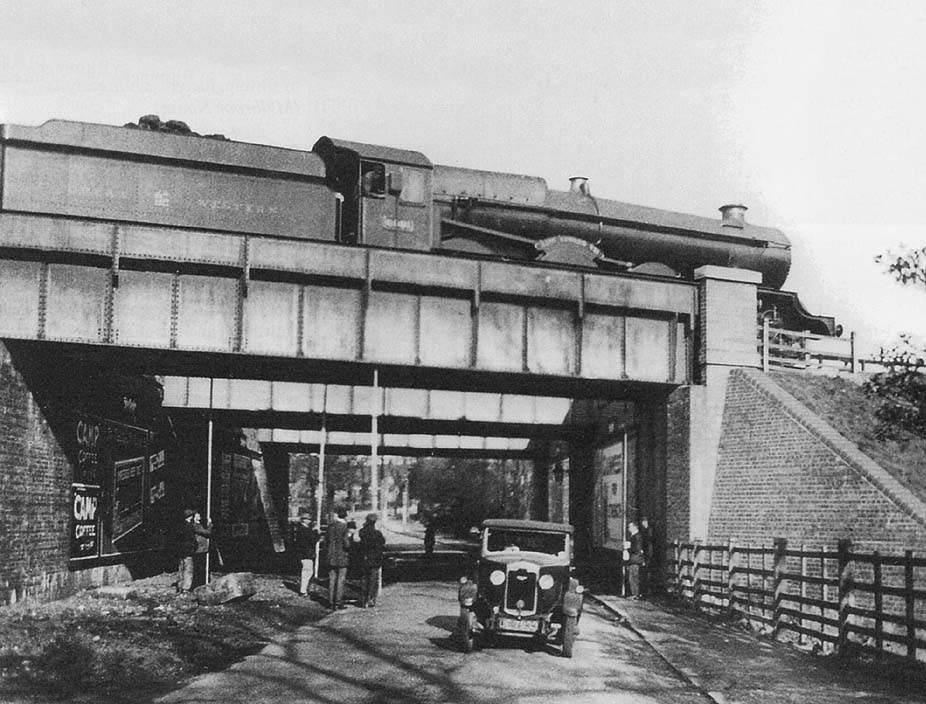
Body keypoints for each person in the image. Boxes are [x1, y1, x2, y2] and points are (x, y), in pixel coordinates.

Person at [358, 513, 386, 607]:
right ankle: (371, 599)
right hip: (375, 560)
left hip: (364, 559)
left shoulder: (362, 532)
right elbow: (382, 543)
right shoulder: (377, 533)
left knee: (364, 579)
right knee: (373, 580)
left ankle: (363, 599)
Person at [326, 506, 351, 609]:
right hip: (341, 557)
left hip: (330, 556)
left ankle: (331, 601)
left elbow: (326, 541)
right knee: (341, 579)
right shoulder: (344, 527)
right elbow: (347, 544)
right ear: (345, 516)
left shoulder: (330, 526)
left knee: (332, 579)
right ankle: (338, 602)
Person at [293, 515, 320, 596]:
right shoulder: (305, 530)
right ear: (304, 520)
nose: (309, 521)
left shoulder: (300, 529)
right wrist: (316, 532)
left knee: (307, 571)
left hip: (303, 553)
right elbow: (313, 540)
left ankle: (304, 589)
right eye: (308, 519)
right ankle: (303, 590)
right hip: (306, 554)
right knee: (307, 572)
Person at [177, 509, 198, 593]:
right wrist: (193, 548)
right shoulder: (190, 527)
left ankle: (180, 587)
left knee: (181, 570)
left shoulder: (180, 526)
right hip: (188, 552)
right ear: (190, 517)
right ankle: (186, 588)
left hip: (181, 552)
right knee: (188, 570)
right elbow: (192, 540)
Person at [623, 520, 645, 598]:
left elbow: (637, 549)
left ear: (635, 527)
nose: (629, 529)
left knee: (633, 577)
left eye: (630, 527)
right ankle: (635, 593)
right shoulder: (634, 536)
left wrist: (628, 547)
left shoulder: (637, 536)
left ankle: (635, 594)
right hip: (634, 559)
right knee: (632, 577)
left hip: (635, 559)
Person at [191, 511, 213, 588]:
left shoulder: (199, 525)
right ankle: (198, 584)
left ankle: (202, 581)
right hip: (199, 549)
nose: (199, 515)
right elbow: (207, 532)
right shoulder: (195, 526)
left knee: (202, 566)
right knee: (198, 567)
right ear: (194, 517)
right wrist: (210, 524)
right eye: (198, 515)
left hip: (203, 549)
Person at [640, 516, 655, 596]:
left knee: (647, 571)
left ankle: (648, 591)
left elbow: (648, 543)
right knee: (646, 572)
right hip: (647, 554)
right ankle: (646, 591)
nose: (643, 523)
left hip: (648, 554)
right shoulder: (646, 530)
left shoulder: (649, 531)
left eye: (644, 522)